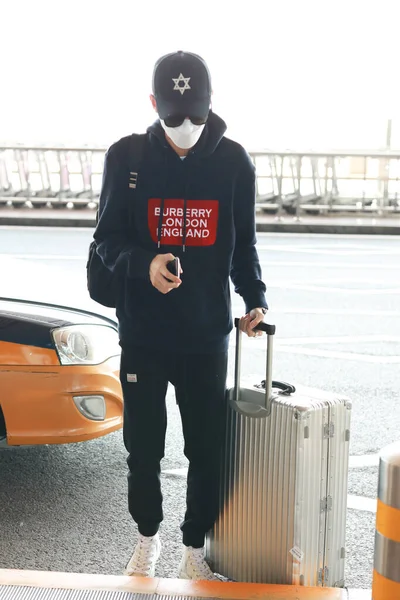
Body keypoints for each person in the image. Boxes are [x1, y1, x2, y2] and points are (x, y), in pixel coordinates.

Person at [93, 50, 268, 580]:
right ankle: (147, 538)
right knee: (142, 447)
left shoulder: (234, 162)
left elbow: (244, 244)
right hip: (143, 332)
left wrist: (254, 297)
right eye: (174, 116)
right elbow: (106, 239)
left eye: (196, 115)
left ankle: (195, 548)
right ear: (153, 105)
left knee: (206, 449)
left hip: (205, 335)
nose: (187, 127)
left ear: (211, 106)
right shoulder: (126, 157)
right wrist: (144, 264)